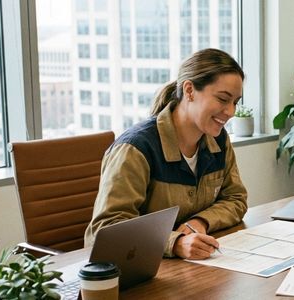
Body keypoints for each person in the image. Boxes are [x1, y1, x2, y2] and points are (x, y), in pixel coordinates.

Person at [86, 48, 248, 260]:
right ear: (189, 90)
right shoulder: (135, 149)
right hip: (141, 271)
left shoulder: (218, 139)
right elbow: (105, 229)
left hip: (195, 267)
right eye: (222, 99)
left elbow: (235, 198)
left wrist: (201, 221)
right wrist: (175, 243)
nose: (231, 112)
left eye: (235, 102)